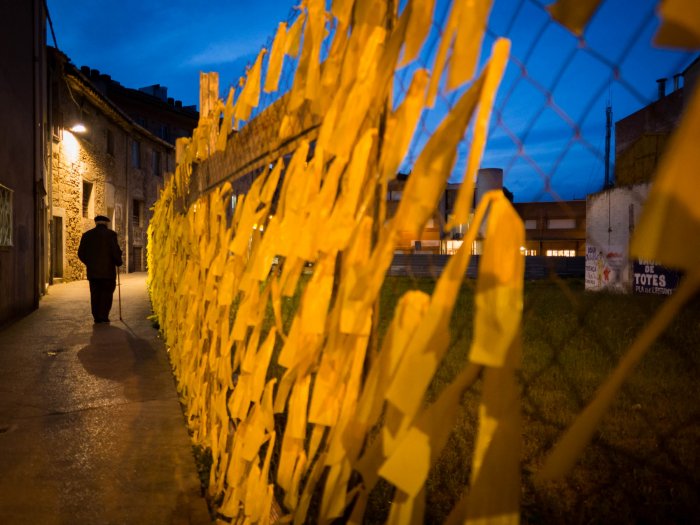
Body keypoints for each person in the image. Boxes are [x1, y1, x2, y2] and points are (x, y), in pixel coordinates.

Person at [78, 215, 123, 323]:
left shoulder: (87, 235)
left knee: (95, 294)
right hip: (108, 273)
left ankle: (96, 317)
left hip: (93, 273)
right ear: (106, 223)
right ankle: (104, 316)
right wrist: (118, 261)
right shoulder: (111, 235)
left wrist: (89, 263)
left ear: (96, 223)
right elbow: (115, 251)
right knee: (106, 294)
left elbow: (80, 253)